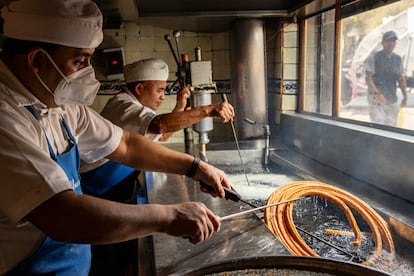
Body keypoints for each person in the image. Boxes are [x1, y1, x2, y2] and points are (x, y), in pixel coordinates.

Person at [0, 1, 232, 275]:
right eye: (79, 61)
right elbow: (63, 216)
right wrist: (170, 216)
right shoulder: (6, 118)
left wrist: (195, 167)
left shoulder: (58, 104)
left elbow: (126, 144)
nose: (89, 70)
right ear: (37, 60)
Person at [79, 58, 234, 274]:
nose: (163, 96)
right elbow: (159, 124)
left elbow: (161, 135)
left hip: (113, 190)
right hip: (96, 190)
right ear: (140, 88)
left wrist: (180, 106)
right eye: (159, 90)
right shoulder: (124, 105)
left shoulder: (136, 107)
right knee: (103, 255)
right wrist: (208, 109)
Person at [365, 30, 408, 126]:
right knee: (379, 126)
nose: (391, 43)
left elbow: (401, 78)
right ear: (383, 42)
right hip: (375, 100)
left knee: (392, 126)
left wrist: (405, 95)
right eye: (389, 41)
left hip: (391, 98)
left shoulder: (398, 59)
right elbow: (368, 78)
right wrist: (378, 94)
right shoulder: (374, 57)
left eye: (394, 41)